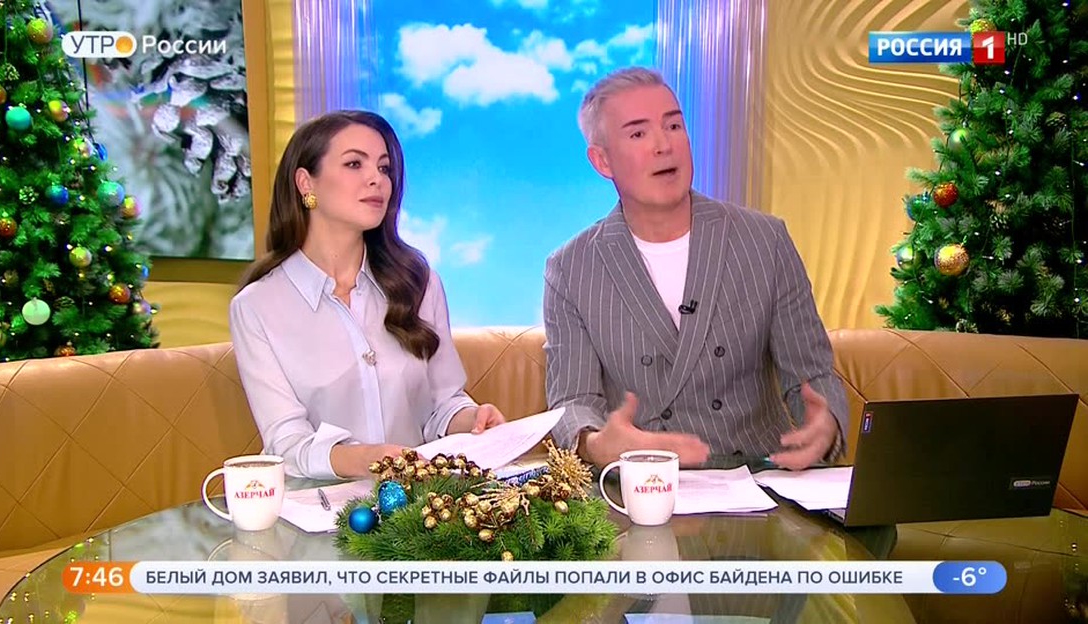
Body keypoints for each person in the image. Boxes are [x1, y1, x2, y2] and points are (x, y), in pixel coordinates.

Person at [545, 67, 848, 471]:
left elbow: (812, 373)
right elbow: (572, 401)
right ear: (602, 160)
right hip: (643, 483)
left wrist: (825, 423)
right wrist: (597, 444)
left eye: (673, 125)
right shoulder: (571, 268)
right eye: (638, 134)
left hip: (758, 477)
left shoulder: (764, 240)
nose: (663, 145)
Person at [230, 110, 506, 480]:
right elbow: (287, 442)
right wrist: (366, 459)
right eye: (354, 164)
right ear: (306, 183)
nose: (376, 179)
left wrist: (473, 419)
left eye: (384, 168)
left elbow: (443, 404)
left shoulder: (418, 283)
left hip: (418, 502)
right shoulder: (256, 307)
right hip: (319, 504)